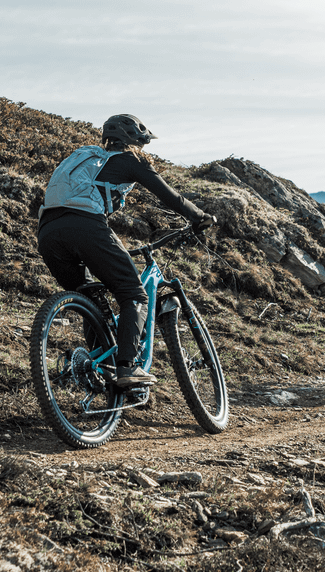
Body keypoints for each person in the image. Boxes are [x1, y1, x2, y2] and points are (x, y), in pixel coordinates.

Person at [37, 114, 214, 388]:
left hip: (48, 231)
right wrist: (199, 216)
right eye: (143, 144)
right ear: (134, 140)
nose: (143, 150)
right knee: (134, 294)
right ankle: (127, 368)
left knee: (91, 300)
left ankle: (99, 368)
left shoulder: (83, 158)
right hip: (86, 226)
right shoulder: (131, 160)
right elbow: (169, 196)